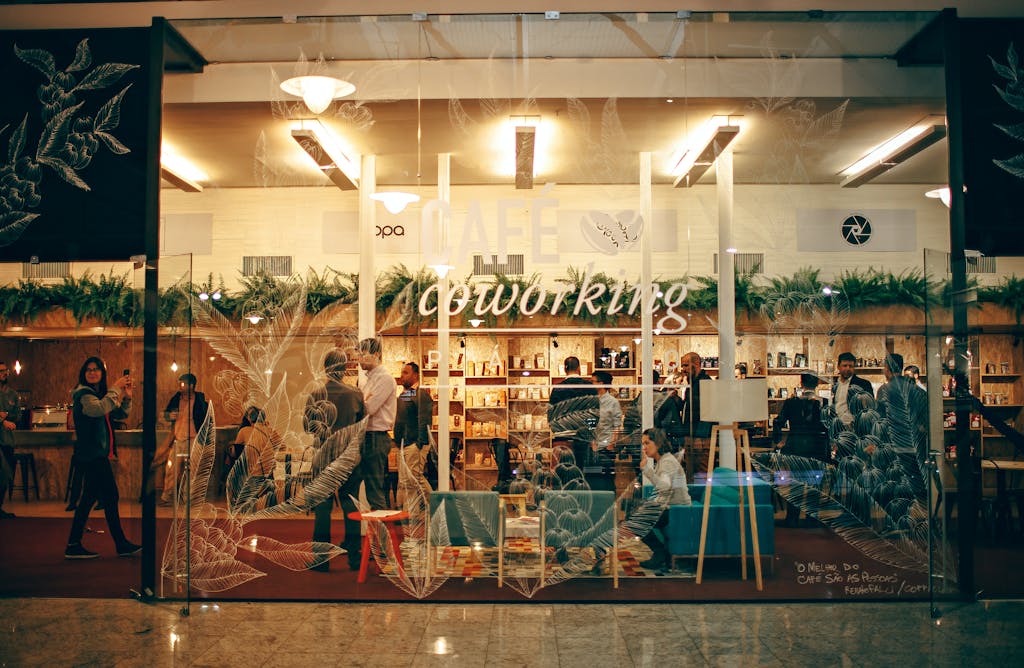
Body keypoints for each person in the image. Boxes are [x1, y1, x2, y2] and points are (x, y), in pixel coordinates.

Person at [64, 357, 141, 559]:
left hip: (95, 455)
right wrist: (116, 388)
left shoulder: (98, 395)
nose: (92, 372)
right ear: (84, 373)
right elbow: (97, 409)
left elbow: (119, 414)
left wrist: (127, 396)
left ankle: (74, 544)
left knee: (90, 499)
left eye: (96, 370)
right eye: (89, 370)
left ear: (101, 373)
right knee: (110, 496)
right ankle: (120, 544)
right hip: (93, 455)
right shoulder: (84, 394)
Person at [305, 349, 366, 571]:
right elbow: (362, 425)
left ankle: (321, 560)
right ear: (345, 368)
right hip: (349, 455)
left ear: (326, 368)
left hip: (324, 456)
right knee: (351, 505)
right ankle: (354, 557)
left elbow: (308, 427)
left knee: (323, 508)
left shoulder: (316, 395)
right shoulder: (355, 394)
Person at [772, 373, 828, 527]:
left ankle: (792, 517)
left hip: (795, 445)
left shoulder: (791, 402)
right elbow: (828, 427)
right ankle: (812, 517)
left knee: (795, 483)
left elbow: (778, 421)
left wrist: (777, 442)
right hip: (816, 446)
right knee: (814, 484)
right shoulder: (824, 403)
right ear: (817, 384)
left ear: (801, 383)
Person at [637, 427, 691, 571]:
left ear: (658, 444)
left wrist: (647, 470)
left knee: (636, 520)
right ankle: (661, 552)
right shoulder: (663, 460)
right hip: (671, 508)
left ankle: (659, 552)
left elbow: (664, 487)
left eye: (647, 443)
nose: (644, 447)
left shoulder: (667, 462)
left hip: (677, 511)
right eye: (643, 444)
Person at [357, 337, 397, 512]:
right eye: (358, 354)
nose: (359, 359)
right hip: (366, 437)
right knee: (368, 488)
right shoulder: (368, 379)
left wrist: (358, 402)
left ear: (376, 354)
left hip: (376, 437)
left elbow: (368, 408)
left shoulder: (384, 379)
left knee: (375, 490)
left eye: (363, 354)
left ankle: (381, 538)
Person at [159, 373, 208, 506]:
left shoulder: (199, 400)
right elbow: (166, 414)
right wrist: (169, 415)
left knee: (192, 470)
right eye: (180, 383)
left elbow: (206, 419)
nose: (180, 386)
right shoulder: (176, 398)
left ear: (191, 385)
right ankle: (166, 497)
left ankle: (188, 499)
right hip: (178, 438)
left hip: (194, 439)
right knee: (171, 470)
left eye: (183, 383)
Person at [224, 406, 280, 511]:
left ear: (249, 419)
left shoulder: (244, 431)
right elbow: (282, 446)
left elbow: (235, 451)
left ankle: (233, 497)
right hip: (269, 473)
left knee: (231, 459)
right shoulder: (269, 430)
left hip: (253, 473)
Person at [548, 356, 598, 469]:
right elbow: (595, 413)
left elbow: (551, 416)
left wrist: (559, 431)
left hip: (563, 438)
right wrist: (590, 430)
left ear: (565, 369)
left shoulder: (558, 389)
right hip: (583, 438)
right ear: (579, 368)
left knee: (563, 473)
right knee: (582, 474)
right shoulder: (589, 387)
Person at [394, 361, 433, 503]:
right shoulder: (405, 395)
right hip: (404, 444)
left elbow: (425, 420)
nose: (401, 376)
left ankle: (436, 503)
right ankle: (407, 512)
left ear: (416, 375)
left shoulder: (421, 394)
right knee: (405, 481)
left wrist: (419, 444)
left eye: (406, 373)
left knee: (414, 478)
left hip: (414, 444)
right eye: (401, 372)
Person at [680, 352, 714, 473]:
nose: (683, 370)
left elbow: (709, 411)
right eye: (682, 366)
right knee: (691, 474)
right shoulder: (693, 384)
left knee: (701, 473)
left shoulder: (705, 382)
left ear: (696, 364)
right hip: (692, 436)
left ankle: (704, 493)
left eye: (686, 366)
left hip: (700, 439)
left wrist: (700, 436)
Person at [0, 362, 21, 519]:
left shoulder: (12, 394)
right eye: (1, 371)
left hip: (8, 440)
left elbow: (18, 415)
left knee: (6, 476)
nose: (4, 373)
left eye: (5, 371)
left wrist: (8, 417)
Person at [832, 352, 873, 427]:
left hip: (855, 426)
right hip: (838, 426)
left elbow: (870, 408)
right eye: (845, 366)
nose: (848, 368)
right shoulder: (835, 385)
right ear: (838, 367)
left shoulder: (863, 384)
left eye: (850, 366)